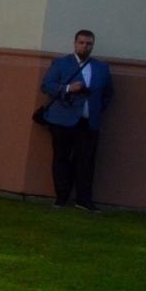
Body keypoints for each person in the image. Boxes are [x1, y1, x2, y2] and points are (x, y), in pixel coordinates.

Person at [40, 29, 113, 212]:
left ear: (92, 46)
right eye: (81, 43)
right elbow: (47, 85)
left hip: (89, 122)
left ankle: (84, 199)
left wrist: (97, 110)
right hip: (63, 120)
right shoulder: (61, 63)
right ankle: (61, 197)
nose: (85, 46)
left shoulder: (101, 68)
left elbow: (108, 93)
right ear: (75, 44)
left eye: (88, 44)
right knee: (61, 158)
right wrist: (67, 88)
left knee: (86, 161)